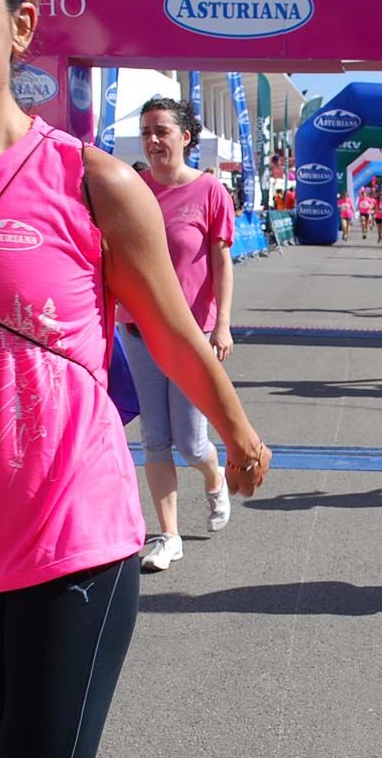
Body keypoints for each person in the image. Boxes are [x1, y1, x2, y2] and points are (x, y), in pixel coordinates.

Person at [0, 0, 270, 755]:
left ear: (20, 26)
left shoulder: (94, 184)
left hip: (72, 544)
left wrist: (238, 432)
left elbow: (172, 331)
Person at [125, 97, 243, 572]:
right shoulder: (131, 188)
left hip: (191, 335)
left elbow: (221, 262)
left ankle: (214, 477)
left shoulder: (210, 190)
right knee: (154, 438)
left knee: (191, 443)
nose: (153, 141)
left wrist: (223, 323)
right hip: (138, 331)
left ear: (185, 137)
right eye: (146, 132)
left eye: (162, 131)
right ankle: (168, 535)